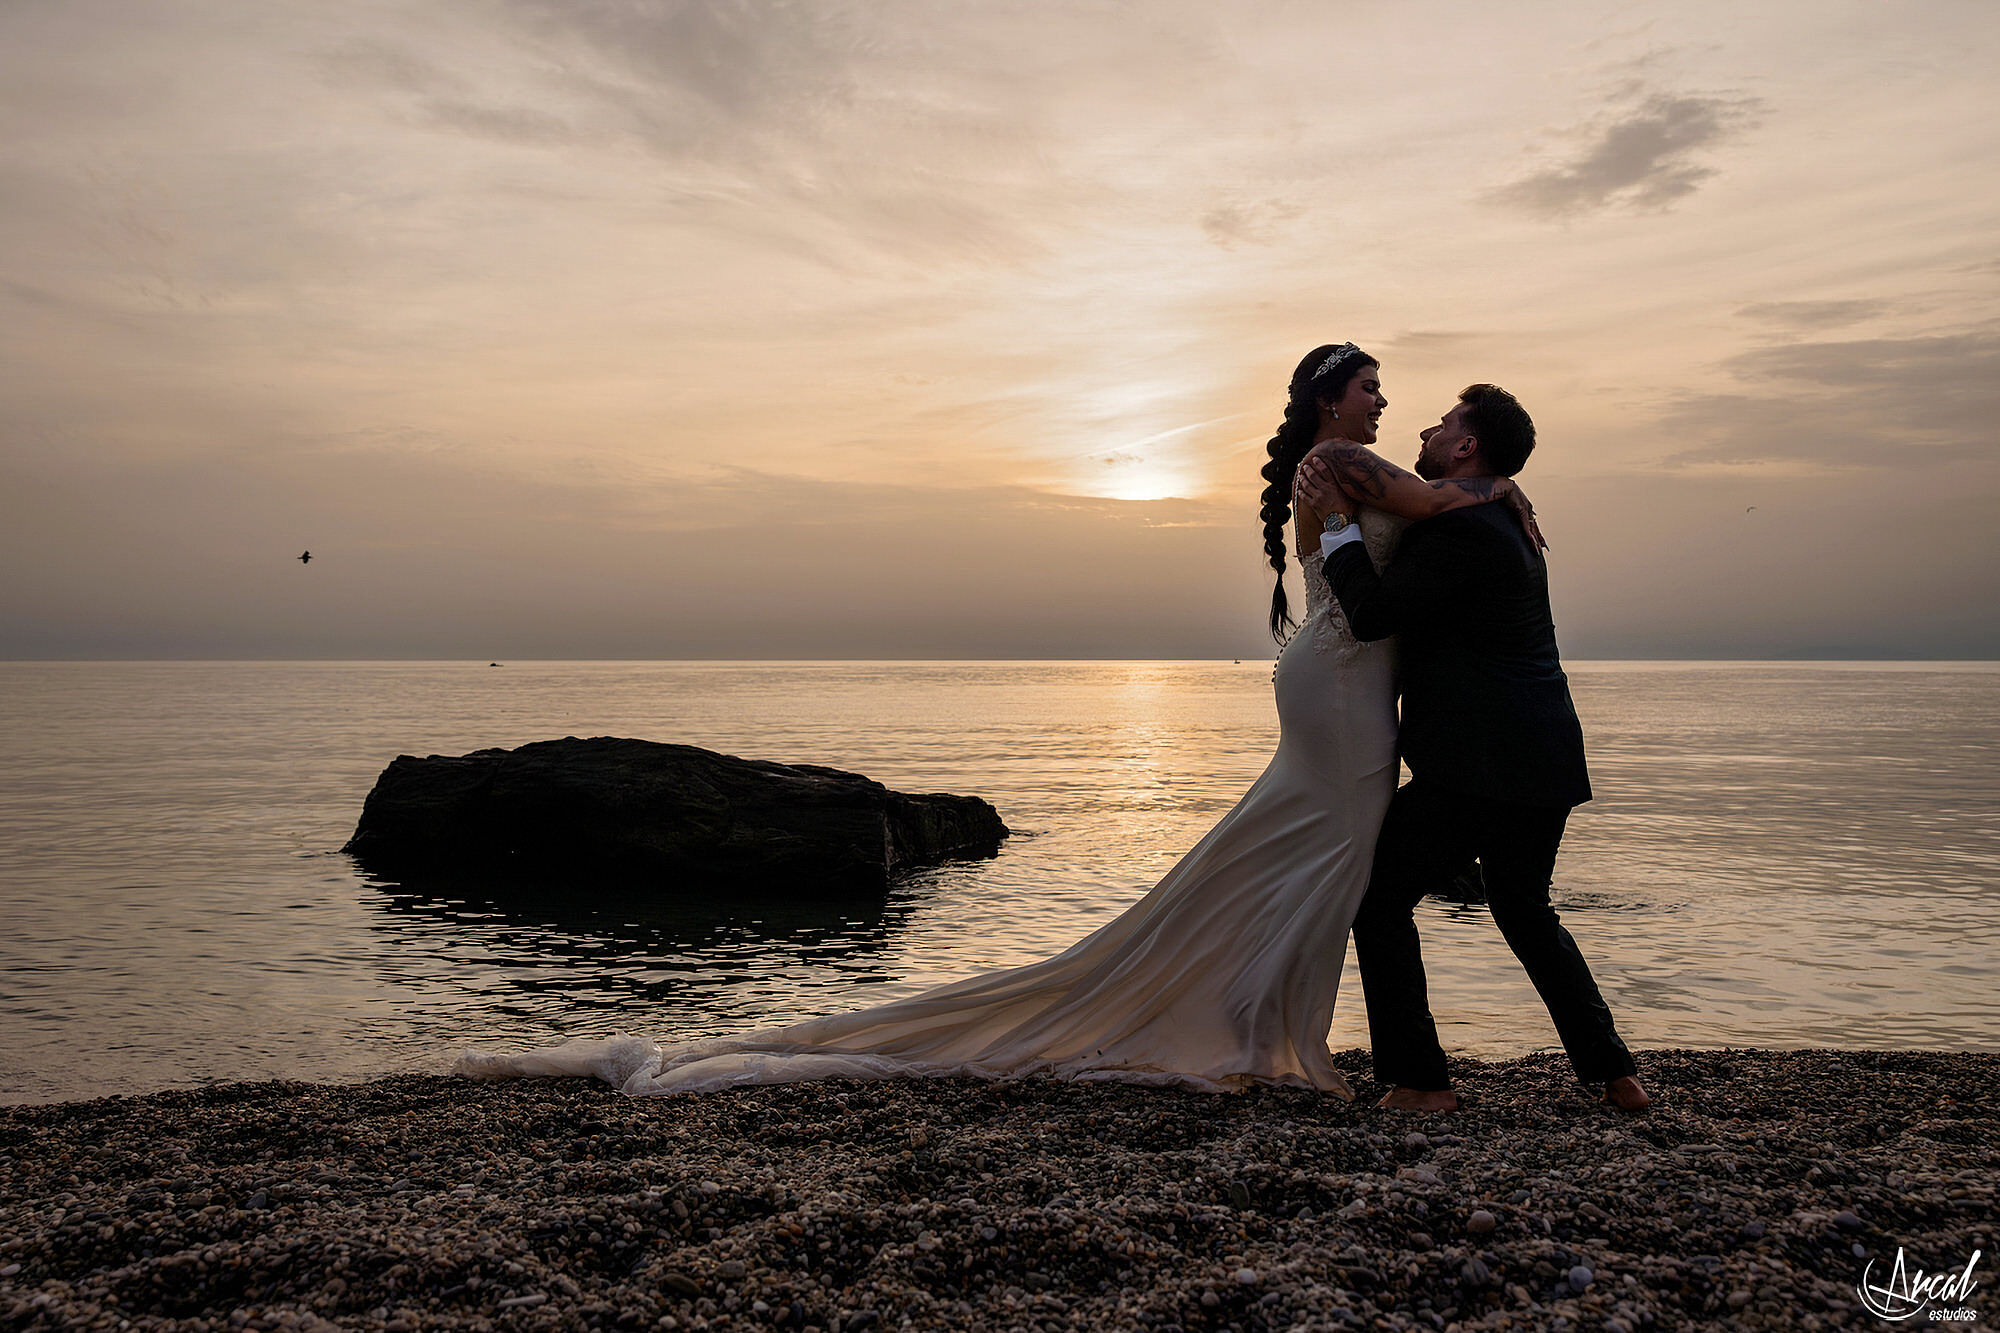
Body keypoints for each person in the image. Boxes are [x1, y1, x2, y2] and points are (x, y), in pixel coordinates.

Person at [457, 344, 1536, 1098]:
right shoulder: (1347, 463)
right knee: (1324, 859)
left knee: (1290, 859)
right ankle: (1259, 1031)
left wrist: (1485, 490)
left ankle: (1260, 1025)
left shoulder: (1346, 465)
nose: (1386, 402)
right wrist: (1501, 489)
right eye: (1370, 386)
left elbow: (1434, 508)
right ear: (1326, 398)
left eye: (1387, 390)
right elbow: (1447, 504)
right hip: (1343, 692)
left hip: (1329, 680)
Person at [1298, 385, 1649, 1113]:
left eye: (1445, 423)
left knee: (1380, 896)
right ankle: (1616, 1072)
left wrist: (1336, 521)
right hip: (1544, 754)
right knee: (1525, 909)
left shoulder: (1457, 532)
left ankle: (1422, 1080)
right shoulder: (1504, 517)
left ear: (1465, 448)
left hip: (1479, 763)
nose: (1425, 429)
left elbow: (1371, 615)